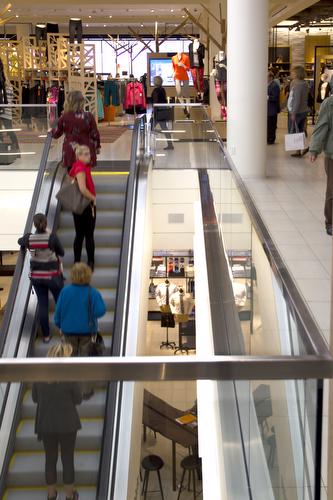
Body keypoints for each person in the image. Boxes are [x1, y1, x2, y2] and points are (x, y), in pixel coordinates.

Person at [32, 342, 81, 500]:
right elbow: (78, 399)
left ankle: (51, 495)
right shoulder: (71, 376)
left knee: (50, 459)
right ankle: (69, 496)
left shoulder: (40, 375)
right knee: (67, 459)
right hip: (68, 424)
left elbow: (34, 398)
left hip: (47, 424)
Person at [54, 262, 106, 398]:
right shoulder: (92, 292)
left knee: (68, 363)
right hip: (87, 333)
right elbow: (100, 311)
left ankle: (69, 392)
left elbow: (57, 313)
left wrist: (60, 324)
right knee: (85, 364)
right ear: (88, 275)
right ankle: (86, 391)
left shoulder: (65, 291)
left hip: (68, 333)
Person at [18, 213, 64, 343]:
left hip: (37, 277)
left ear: (35, 225)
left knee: (43, 305)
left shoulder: (29, 239)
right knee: (60, 303)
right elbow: (61, 252)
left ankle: (46, 335)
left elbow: (19, 241)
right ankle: (63, 331)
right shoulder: (52, 238)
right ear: (46, 224)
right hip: (53, 277)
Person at [52, 90, 101, 170]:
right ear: (82, 102)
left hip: (70, 150)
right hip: (86, 149)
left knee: (72, 173)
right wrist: (97, 147)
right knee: (85, 174)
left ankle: (76, 182)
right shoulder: (88, 116)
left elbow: (56, 134)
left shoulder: (64, 117)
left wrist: (51, 130)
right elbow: (95, 134)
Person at [70, 144, 96, 271]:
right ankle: (90, 262)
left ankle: (77, 262)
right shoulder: (80, 168)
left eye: (89, 153)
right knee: (87, 235)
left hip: (78, 205)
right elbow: (82, 189)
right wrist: (93, 198)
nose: (88, 156)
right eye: (85, 154)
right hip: (85, 205)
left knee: (80, 234)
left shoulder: (79, 166)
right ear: (78, 156)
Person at [309, 95, 333, 236]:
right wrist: (314, 149)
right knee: (332, 191)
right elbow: (321, 126)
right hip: (332, 155)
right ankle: (330, 222)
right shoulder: (329, 104)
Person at [287, 65, 309, 157]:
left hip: (297, 111)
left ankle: (301, 149)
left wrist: (293, 113)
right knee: (300, 130)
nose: (291, 73)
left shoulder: (297, 84)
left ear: (296, 73)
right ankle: (299, 150)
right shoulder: (304, 83)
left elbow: (297, 100)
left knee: (295, 131)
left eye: (293, 72)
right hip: (303, 110)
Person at [151, 76, 174, 151]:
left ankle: (143, 145)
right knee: (164, 128)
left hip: (158, 112)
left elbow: (155, 102)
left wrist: (153, 112)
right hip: (163, 111)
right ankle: (170, 144)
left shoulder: (155, 91)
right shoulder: (163, 89)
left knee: (150, 127)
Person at [267, 71, 280, 145]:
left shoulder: (274, 85)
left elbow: (275, 98)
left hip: (272, 109)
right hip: (268, 109)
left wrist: (268, 97)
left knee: (272, 124)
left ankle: (271, 139)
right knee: (269, 124)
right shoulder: (268, 84)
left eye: (267, 77)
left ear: (271, 77)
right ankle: (268, 137)